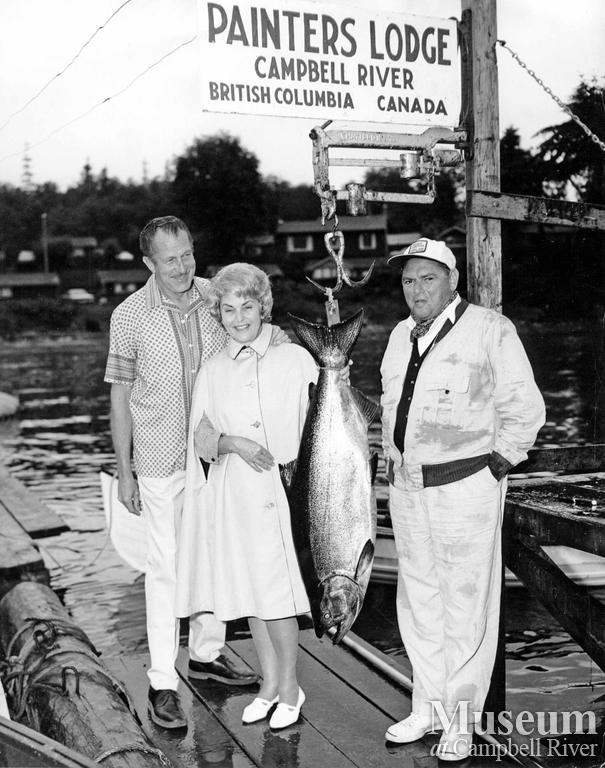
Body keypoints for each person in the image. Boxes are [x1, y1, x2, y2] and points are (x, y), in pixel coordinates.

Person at [104, 217, 289, 730]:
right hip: (160, 459)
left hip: (215, 457)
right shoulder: (128, 316)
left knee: (214, 556)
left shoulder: (215, 296)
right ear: (149, 264)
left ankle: (207, 655)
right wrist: (125, 471)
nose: (184, 266)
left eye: (188, 253)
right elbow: (119, 396)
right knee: (165, 567)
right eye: (171, 259)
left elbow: (256, 329)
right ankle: (164, 679)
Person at [380, 238, 545, 761]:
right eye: (409, 280)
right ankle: (425, 706)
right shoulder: (399, 336)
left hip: (465, 488)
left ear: (453, 281)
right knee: (418, 602)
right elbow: (391, 410)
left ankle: (461, 721)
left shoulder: (491, 330)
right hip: (407, 489)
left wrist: (496, 465)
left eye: (428, 277)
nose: (417, 289)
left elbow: (525, 408)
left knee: (465, 608)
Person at [176, 263, 316, 730]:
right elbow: (200, 437)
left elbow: (326, 422)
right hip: (236, 492)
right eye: (229, 309)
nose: (239, 318)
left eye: (248, 307)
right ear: (218, 313)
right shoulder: (213, 371)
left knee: (277, 594)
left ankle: (292, 687)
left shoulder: (294, 357)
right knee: (251, 592)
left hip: (285, 491)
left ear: (264, 306)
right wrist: (233, 443)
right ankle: (270, 685)